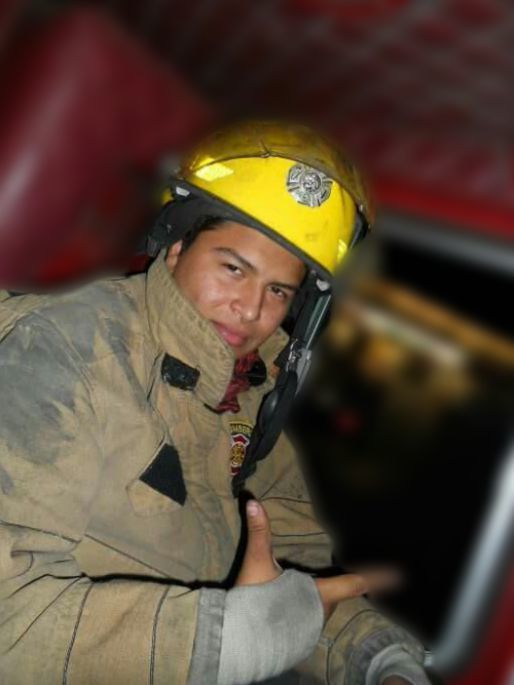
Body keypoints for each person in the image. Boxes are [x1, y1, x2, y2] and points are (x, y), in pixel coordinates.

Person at [0, 121, 429, 684]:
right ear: (176, 247)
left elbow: (293, 573)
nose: (251, 309)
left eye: (278, 291)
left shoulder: (248, 399)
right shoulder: (67, 351)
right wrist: (226, 639)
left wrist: (376, 659)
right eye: (234, 268)